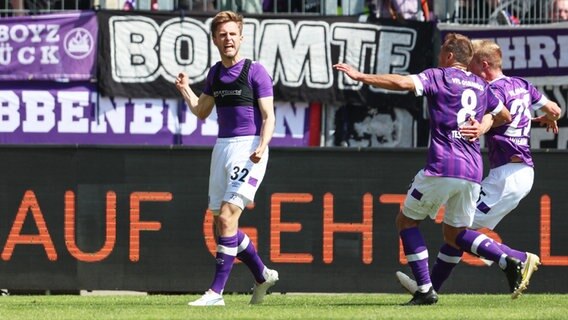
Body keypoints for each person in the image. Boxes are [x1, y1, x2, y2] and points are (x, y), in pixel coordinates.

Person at [334, 33, 531, 306]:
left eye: (442, 51)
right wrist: (483, 125)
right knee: (455, 235)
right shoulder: (480, 84)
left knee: (406, 220)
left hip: (442, 166)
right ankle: (505, 258)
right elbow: (504, 116)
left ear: (449, 56)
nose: (439, 55)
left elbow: (401, 82)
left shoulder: (440, 76)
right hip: (473, 171)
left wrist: (361, 76)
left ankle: (425, 289)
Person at [395, 39, 561, 298]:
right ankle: (429, 291)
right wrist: (547, 118)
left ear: (483, 65)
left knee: (456, 231)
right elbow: (555, 109)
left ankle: (515, 259)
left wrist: (481, 128)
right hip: (520, 171)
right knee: (457, 231)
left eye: (471, 62)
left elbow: (495, 117)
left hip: (507, 174)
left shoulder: (492, 90)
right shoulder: (522, 85)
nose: (467, 68)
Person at [175, 10, 278, 307]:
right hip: (222, 147)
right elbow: (201, 111)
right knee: (219, 225)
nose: (228, 39)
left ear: (241, 37)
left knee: (227, 217)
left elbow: (269, 115)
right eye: (222, 34)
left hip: (249, 148)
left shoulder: (255, 70)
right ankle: (261, 274)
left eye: (233, 34)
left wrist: (262, 144)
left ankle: (215, 293)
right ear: (215, 40)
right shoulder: (215, 73)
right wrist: (185, 90)